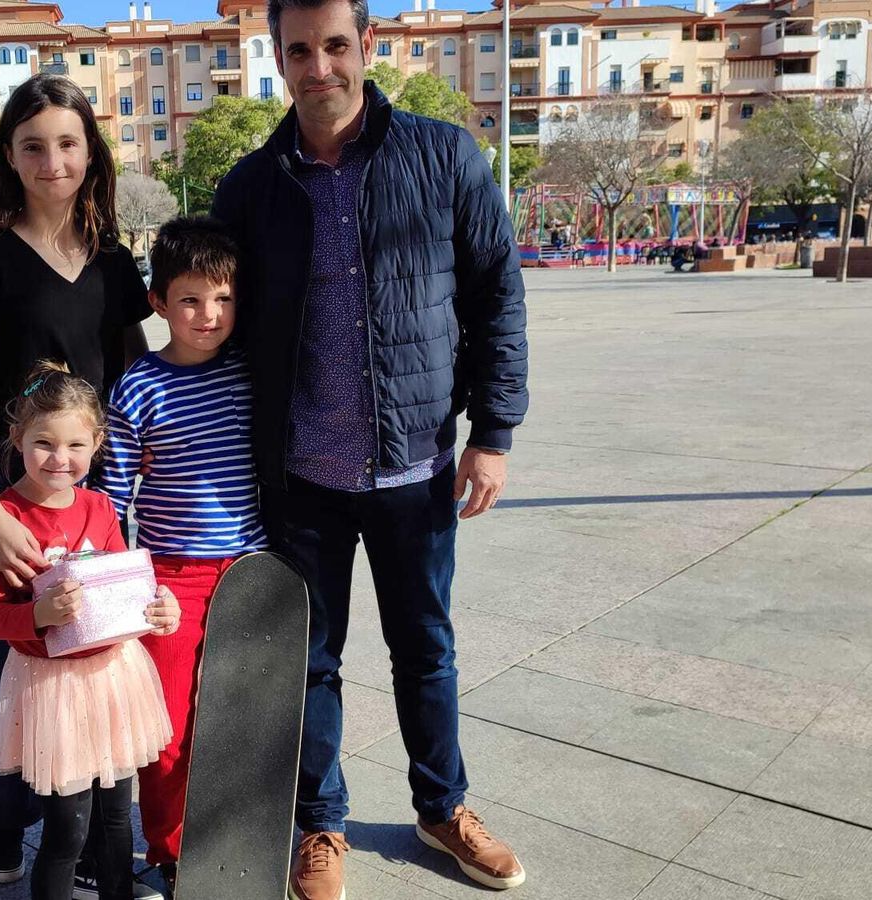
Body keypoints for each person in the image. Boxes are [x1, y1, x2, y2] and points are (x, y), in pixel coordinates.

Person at [210, 0, 530, 896]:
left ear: (368, 47)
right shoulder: (249, 186)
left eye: (336, 45)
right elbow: (218, 323)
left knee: (425, 648)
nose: (320, 67)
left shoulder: (443, 155)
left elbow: (497, 299)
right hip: (302, 476)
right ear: (277, 56)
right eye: (300, 49)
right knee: (311, 658)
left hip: (415, 467)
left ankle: (442, 807)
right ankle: (321, 822)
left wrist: (491, 436)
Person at [0, 73, 156, 898]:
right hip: (23, 494)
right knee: (24, 656)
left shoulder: (110, 259)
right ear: (9, 155)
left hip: (97, 496)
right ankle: (4, 815)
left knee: (98, 656)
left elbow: (138, 377)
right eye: (33, 145)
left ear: (90, 150)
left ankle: (104, 839)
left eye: (68, 142)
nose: (52, 160)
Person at [0, 360, 181, 900]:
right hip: (51, 688)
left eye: (76, 446)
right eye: (44, 443)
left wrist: (159, 605)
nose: (60, 460)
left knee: (114, 822)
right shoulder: (1, 517)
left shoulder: (100, 506)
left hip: (114, 677)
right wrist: (38, 617)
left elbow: (125, 585)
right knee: (68, 829)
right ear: (16, 437)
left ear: (98, 442)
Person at [99, 216, 267, 892]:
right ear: (158, 302)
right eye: (192, 299)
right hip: (168, 582)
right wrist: (108, 587)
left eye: (223, 299)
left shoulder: (251, 371)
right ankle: (169, 853)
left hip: (252, 575)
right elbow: (112, 499)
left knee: (241, 725)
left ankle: (238, 846)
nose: (209, 315)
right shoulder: (139, 386)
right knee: (164, 731)